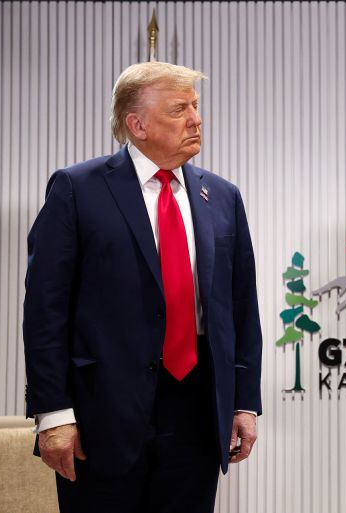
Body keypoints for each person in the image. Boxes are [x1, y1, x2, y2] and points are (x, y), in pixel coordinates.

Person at [23, 61, 263, 513]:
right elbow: (44, 310)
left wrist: (244, 402)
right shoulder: (77, 188)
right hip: (102, 415)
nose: (196, 118)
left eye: (195, 106)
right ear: (137, 124)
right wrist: (52, 412)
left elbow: (240, 307)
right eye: (179, 109)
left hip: (197, 409)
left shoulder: (223, 196)